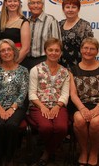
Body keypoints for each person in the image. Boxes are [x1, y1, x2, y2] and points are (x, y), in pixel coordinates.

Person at [70, 37, 99, 166]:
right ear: (81, 50)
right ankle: (84, 151)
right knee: (79, 120)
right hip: (80, 104)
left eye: (92, 48)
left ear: (97, 51)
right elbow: (73, 94)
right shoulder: (72, 70)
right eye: (85, 48)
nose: (88, 51)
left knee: (95, 122)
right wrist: (82, 109)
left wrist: (97, 109)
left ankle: (94, 152)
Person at [28, 38, 69, 166]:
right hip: (38, 106)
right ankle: (52, 150)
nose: (53, 53)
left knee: (62, 128)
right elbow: (32, 93)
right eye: (50, 50)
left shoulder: (65, 72)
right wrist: (42, 107)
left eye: (57, 50)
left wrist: (58, 106)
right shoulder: (36, 69)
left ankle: (46, 152)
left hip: (58, 106)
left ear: (61, 53)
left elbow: (65, 94)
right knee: (46, 127)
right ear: (45, 51)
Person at [0, 39, 29, 166]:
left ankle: (9, 157)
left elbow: (23, 92)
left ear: (14, 51)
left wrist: (13, 108)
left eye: (9, 49)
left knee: (12, 125)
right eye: (2, 50)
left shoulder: (23, 70)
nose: (6, 52)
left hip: (17, 106)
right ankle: (0, 156)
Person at [22, 0, 61, 71]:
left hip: (44, 61)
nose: (35, 6)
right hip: (27, 62)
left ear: (42, 5)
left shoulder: (51, 20)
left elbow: (57, 45)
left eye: (38, 3)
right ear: (28, 6)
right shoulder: (26, 22)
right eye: (32, 3)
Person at [59, 0, 94, 69]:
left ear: (78, 9)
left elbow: (90, 47)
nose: (70, 10)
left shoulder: (85, 25)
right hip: (60, 65)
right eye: (67, 7)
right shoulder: (59, 24)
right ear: (63, 9)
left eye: (74, 7)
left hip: (79, 66)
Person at [0, 0, 30, 64]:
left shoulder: (24, 22)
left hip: (17, 63)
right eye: (10, 1)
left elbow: (25, 49)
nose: (12, 3)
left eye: (15, 1)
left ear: (19, 3)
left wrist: (12, 64)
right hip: (1, 63)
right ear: (5, 3)